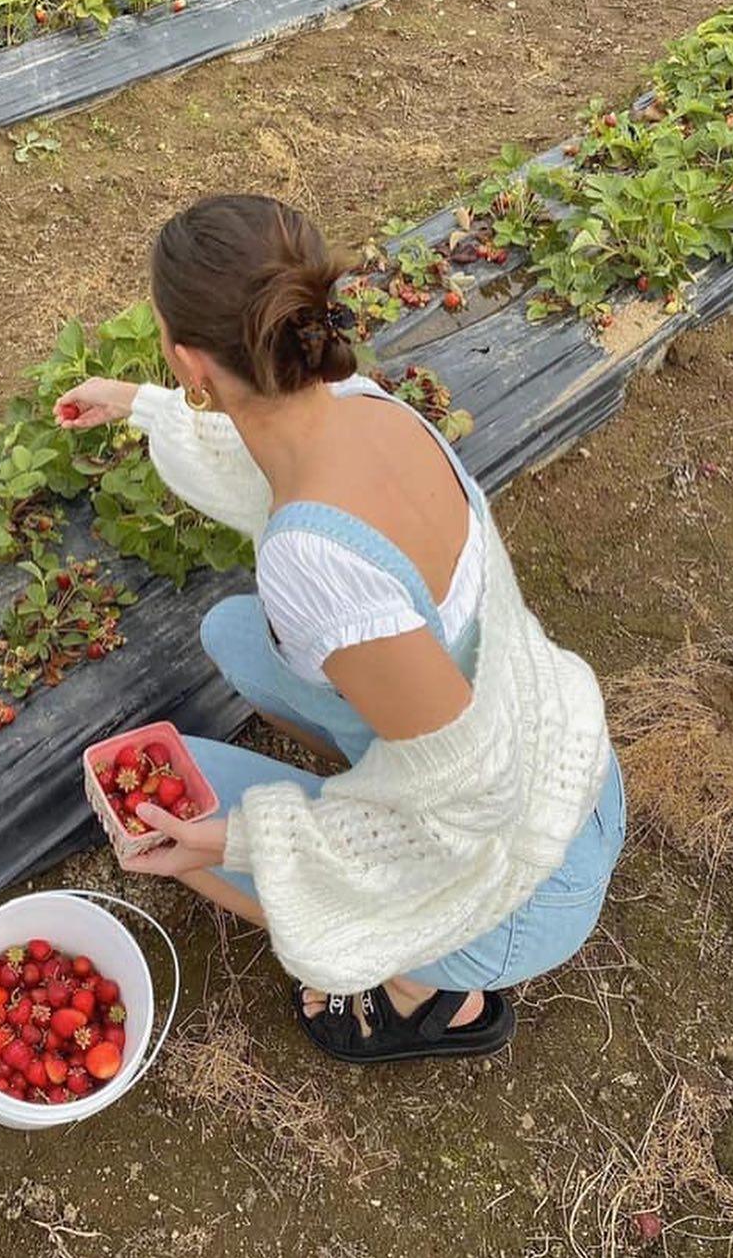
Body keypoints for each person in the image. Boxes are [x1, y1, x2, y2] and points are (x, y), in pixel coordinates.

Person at [55, 194, 624, 1066]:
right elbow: (252, 450)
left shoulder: (315, 564)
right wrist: (139, 406)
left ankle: (428, 994)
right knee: (238, 635)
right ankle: (378, 780)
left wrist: (237, 841)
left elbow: (477, 800)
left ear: (188, 357)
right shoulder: (359, 404)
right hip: (560, 751)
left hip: (522, 872)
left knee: (163, 815)